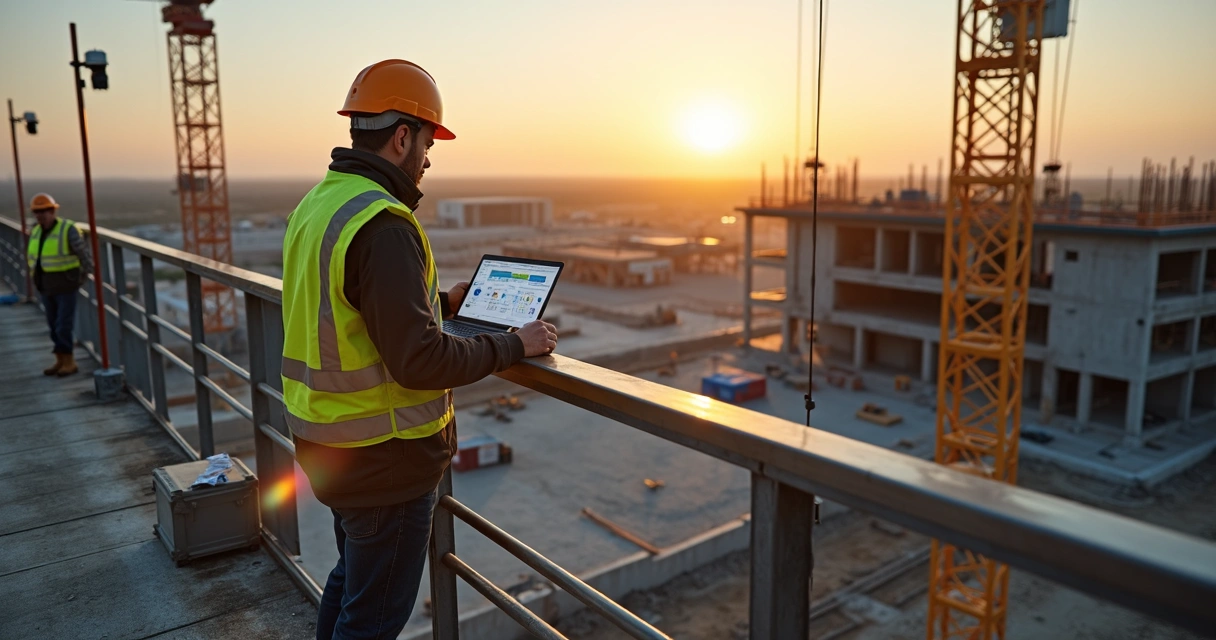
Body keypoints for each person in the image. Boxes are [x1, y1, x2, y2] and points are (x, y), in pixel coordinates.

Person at [280, 59, 558, 640]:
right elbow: (421, 362)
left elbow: (351, 304)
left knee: (351, 584)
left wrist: (437, 303)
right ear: (402, 136)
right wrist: (513, 343)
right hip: (385, 459)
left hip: (330, 444)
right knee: (374, 618)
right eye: (429, 141)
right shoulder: (384, 224)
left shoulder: (322, 204)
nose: (429, 157)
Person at [25, 193, 93, 376]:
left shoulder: (67, 229)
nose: (41, 215)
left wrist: (82, 278)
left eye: (45, 210)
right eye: (37, 211)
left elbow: (85, 257)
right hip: (45, 286)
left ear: (53, 210)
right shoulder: (36, 231)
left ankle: (69, 361)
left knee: (63, 324)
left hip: (65, 286)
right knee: (53, 325)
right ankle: (60, 359)